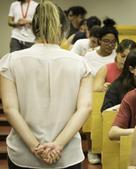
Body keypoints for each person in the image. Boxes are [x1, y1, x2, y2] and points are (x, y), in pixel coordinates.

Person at [0, 1, 92, 168]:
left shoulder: (11, 61)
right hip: (66, 155)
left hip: (24, 154)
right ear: (64, 28)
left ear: (33, 28)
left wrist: (36, 147)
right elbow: (85, 108)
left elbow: (10, 109)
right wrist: (58, 145)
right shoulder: (81, 63)